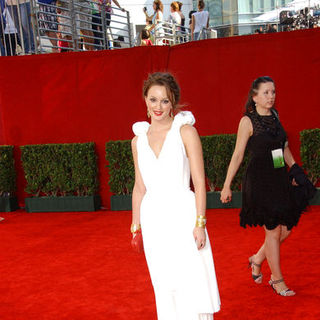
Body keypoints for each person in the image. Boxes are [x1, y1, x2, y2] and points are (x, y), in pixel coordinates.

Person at [131, 72, 220, 319]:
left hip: (183, 216)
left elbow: (200, 183)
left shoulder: (185, 132)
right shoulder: (137, 140)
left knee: (190, 281)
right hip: (154, 222)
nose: (158, 106)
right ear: (145, 101)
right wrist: (135, 227)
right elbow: (140, 187)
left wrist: (200, 224)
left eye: (165, 101)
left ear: (173, 103)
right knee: (163, 284)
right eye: (153, 99)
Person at [220, 76, 305, 297]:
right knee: (273, 230)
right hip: (259, 181)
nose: (271, 96)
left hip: (278, 179)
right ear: (255, 96)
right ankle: (277, 280)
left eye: (273, 92)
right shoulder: (247, 121)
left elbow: (282, 147)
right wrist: (226, 185)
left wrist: (294, 168)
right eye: (266, 92)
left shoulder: (275, 116)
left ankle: (257, 258)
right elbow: (238, 155)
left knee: (285, 228)